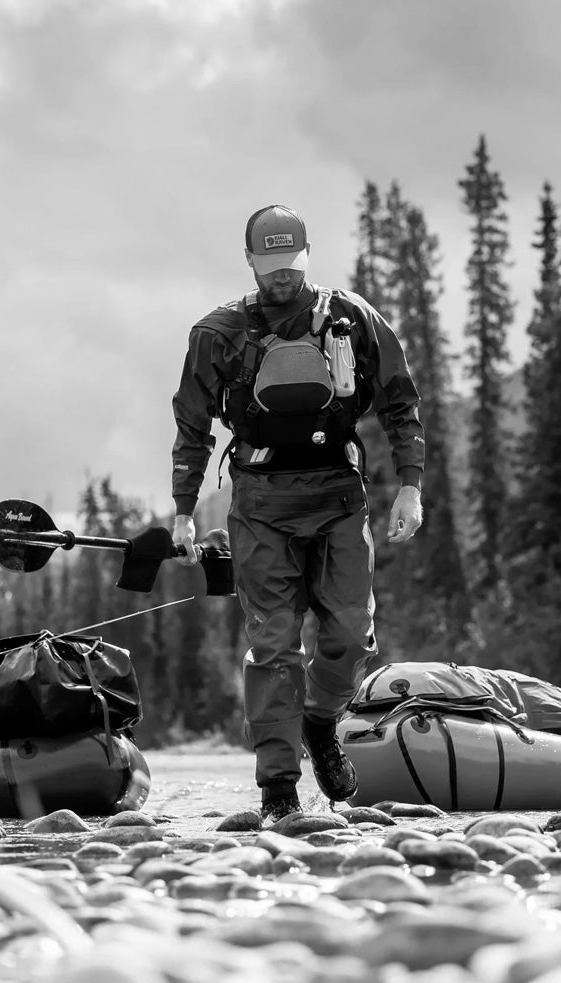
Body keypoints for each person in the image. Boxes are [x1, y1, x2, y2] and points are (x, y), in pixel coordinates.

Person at [170, 203, 424, 828]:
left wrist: (410, 487)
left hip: (339, 496)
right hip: (259, 506)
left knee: (349, 633)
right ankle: (278, 790)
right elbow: (192, 425)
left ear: (306, 257)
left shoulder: (353, 318)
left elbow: (400, 402)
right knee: (272, 648)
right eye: (270, 265)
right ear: (251, 260)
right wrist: (182, 511)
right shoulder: (217, 333)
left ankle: (319, 720)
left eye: (291, 264)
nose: (281, 276)